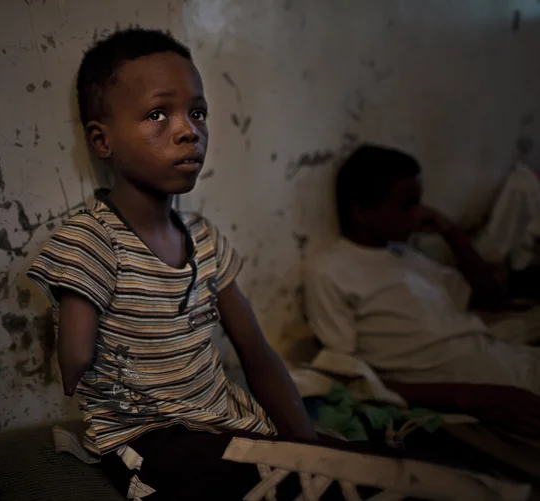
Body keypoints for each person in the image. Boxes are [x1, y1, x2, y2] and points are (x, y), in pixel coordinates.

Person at [27, 29, 316, 500]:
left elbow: (257, 353)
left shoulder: (204, 239)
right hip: (150, 441)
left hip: (227, 420)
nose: (188, 130)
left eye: (197, 113)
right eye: (158, 114)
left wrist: (309, 445)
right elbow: (74, 358)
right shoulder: (91, 240)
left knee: (338, 473)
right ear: (102, 140)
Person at [305, 144, 540, 435]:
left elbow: (492, 298)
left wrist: (451, 232)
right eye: (408, 205)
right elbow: (353, 381)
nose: (420, 215)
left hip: (511, 364)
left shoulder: (406, 255)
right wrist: (467, 396)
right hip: (487, 392)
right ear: (362, 213)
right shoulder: (330, 271)